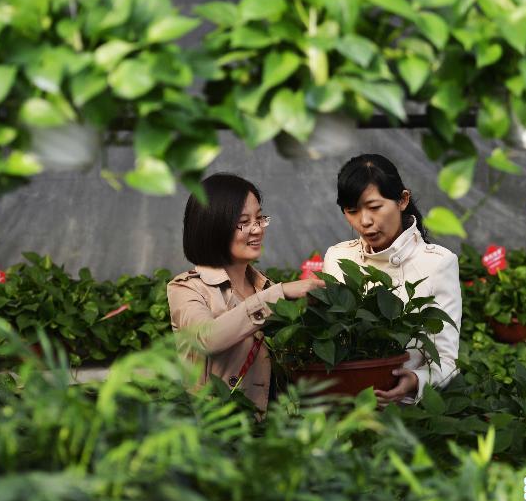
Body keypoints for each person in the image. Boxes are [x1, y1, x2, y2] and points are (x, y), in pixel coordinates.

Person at [168, 173, 325, 412]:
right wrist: (278, 295)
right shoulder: (187, 288)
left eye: (260, 218)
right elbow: (206, 338)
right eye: (244, 222)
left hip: (272, 427)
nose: (257, 229)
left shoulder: (264, 286)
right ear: (213, 227)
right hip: (221, 430)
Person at [322, 154, 461, 408]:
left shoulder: (438, 263)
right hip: (344, 406)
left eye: (374, 207)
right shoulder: (338, 257)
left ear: (402, 200)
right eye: (352, 211)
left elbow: (447, 361)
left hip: (404, 412)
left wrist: (415, 379)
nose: (364, 221)